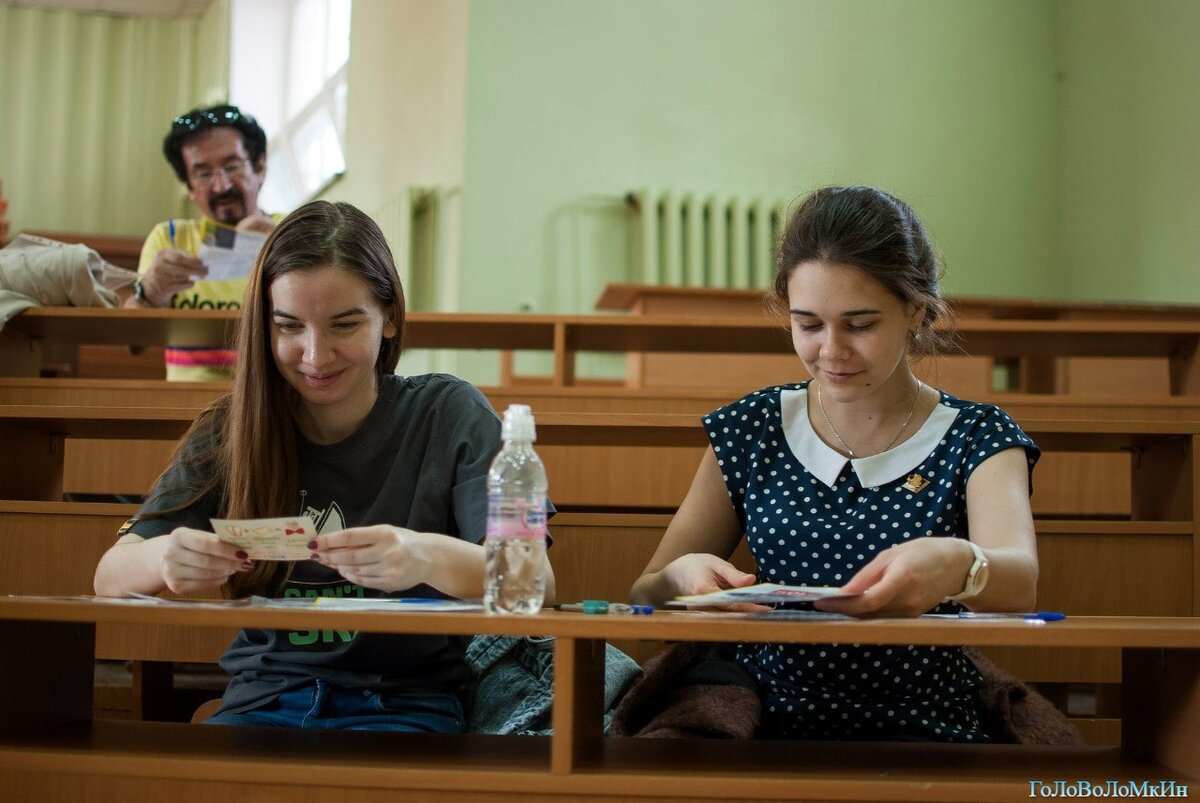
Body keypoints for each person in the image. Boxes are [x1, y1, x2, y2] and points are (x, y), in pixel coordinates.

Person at [94, 200, 556, 730]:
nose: (315, 355)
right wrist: (164, 558)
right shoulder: (233, 427)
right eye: (289, 326)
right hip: (264, 700)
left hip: (403, 705)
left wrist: (423, 555)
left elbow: (536, 581)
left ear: (389, 319)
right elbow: (109, 576)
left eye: (344, 325)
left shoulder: (448, 413)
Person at [630, 185, 1040, 743]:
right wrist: (680, 580)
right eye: (808, 325)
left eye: (860, 324)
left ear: (916, 310)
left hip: (927, 727)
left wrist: (957, 563)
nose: (831, 350)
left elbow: (1020, 583)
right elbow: (644, 594)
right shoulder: (754, 427)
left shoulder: (977, 435)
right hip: (762, 723)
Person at [127, 103, 281, 381]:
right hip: (189, 403)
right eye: (203, 174)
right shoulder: (170, 238)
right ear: (189, 187)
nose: (221, 185)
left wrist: (288, 250)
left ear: (260, 167)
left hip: (273, 398)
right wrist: (151, 291)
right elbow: (134, 342)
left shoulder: (293, 231)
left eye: (232, 167)